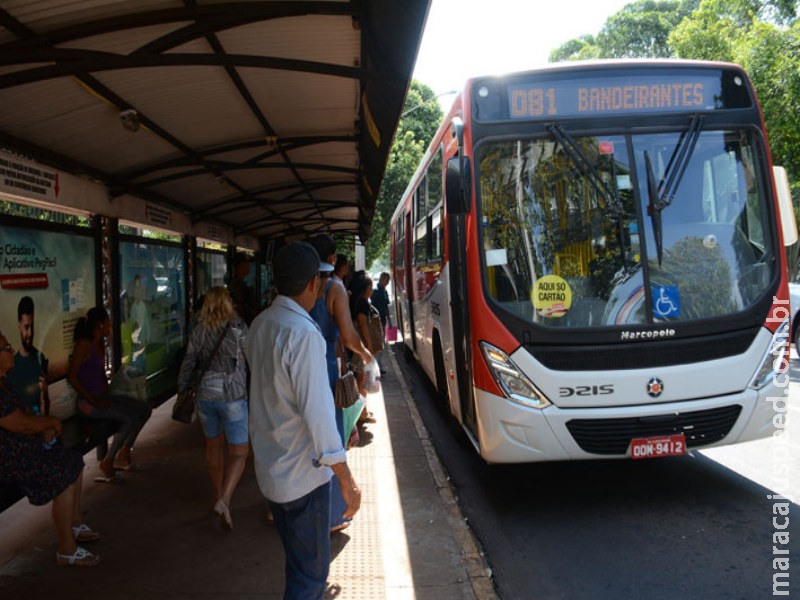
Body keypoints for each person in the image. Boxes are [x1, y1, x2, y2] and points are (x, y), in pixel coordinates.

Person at [247, 241, 361, 600]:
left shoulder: (261, 324)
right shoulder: (304, 334)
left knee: (299, 565)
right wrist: (347, 479)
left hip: (271, 472)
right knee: (310, 579)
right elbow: (320, 415)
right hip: (303, 480)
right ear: (313, 283)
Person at [0, 331, 101, 567]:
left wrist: (43, 428)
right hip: (9, 461)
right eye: (5, 348)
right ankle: (67, 549)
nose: (11, 351)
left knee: (73, 459)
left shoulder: (4, 382)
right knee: (64, 471)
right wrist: (49, 424)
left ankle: (74, 524)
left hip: (21, 450)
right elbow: (20, 424)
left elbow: (24, 419)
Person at [308, 234, 372, 531]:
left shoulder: (300, 285)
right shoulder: (333, 287)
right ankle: (334, 514)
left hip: (295, 365)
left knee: (301, 435)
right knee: (330, 438)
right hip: (324, 368)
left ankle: (282, 508)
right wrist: (365, 354)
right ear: (332, 259)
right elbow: (348, 336)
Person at [177, 287, 249, 530]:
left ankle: (217, 494)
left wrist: (182, 391)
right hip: (233, 396)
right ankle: (225, 499)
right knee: (239, 452)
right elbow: (251, 357)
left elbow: (188, 363)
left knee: (213, 445)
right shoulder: (238, 326)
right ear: (228, 303)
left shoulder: (199, 329)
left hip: (206, 396)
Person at [68, 307, 152, 481]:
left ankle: (125, 451)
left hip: (102, 397)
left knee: (144, 409)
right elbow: (72, 378)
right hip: (87, 403)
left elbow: (100, 373)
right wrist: (94, 401)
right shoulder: (84, 345)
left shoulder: (100, 344)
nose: (110, 326)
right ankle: (108, 460)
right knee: (129, 419)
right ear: (100, 325)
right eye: (108, 322)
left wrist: (108, 390)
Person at [7, 296, 49, 415]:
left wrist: (43, 393)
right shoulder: (11, 365)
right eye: (26, 327)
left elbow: (46, 403)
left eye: (32, 326)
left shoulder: (40, 358)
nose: (30, 333)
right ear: (19, 326)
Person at [350, 274, 380, 423]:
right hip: (361, 346)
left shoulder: (358, 300)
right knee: (362, 380)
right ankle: (361, 413)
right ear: (366, 288)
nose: (372, 291)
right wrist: (369, 345)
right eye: (370, 288)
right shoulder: (362, 302)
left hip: (358, 346)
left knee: (362, 379)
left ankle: (363, 411)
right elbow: (362, 324)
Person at [229, 252, 259, 325]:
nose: (248, 266)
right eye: (246, 263)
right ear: (241, 266)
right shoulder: (238, 286)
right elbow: (242, 308)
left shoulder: (237, 283)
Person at [371, 273, 391, 375]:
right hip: (375, 322)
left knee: (382, 345)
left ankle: (379, 365)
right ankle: (376, 367)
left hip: (383, 321)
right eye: (387, 281)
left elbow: (386, 306)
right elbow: (371, 307)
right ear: (382, 279)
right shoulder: (375, 291)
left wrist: (389, 320)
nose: (387, 283)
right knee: (377, 345)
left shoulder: (384, 291)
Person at [129, 274, 150, 374]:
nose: (138, 291)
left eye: (139, 288)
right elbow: (133, 325)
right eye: (136, 288)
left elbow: (146, 324)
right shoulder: (133, 307)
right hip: (135, 344)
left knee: (142, 368)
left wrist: (146, 339)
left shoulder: (143, 306)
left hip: (142, 343)